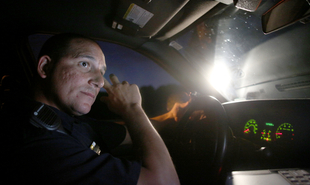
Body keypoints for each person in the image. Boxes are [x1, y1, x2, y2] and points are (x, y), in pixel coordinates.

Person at [1, 33, 180, 185]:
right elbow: (165, 182)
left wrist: (173, 116)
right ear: (45, 67)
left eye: (101, 72)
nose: (100, 82)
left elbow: (132, 131)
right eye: (85, 64)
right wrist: (132, 108)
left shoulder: (65, 120)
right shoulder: (40, 143)